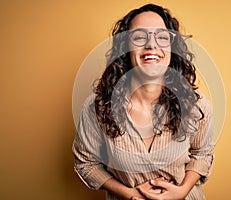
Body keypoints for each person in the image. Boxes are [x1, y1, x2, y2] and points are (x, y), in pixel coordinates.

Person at [72, 3, 215, 200]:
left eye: (162, 37)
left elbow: (203, 154)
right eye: (139, 37)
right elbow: (86, 164)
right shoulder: (96, 107)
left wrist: (182, 191)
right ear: (125, 48)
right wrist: (129, 194)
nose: (152, 45)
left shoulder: (196, 105)